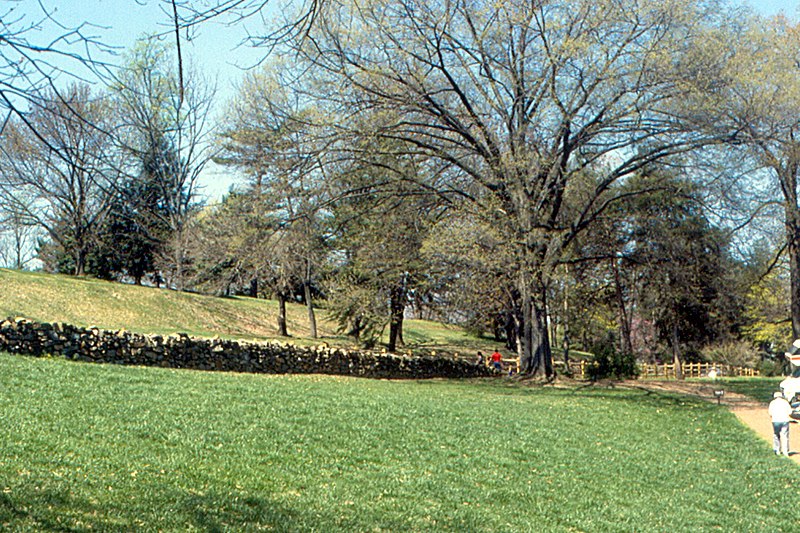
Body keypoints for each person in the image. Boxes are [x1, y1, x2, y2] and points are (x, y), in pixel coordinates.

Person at [769, 391, 793, 457]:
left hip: (775, 421)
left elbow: (770, 413)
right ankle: (785, 451)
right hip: (785, 420)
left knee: (776, 435)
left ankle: (777, 450)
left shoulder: (772, 403)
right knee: (785, 436)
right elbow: (790, 412)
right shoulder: (785, 402)